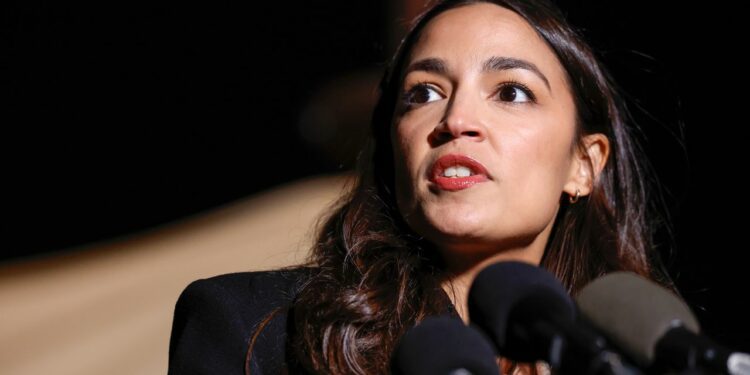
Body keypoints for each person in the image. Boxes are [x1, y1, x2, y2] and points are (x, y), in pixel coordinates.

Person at [167, 0, 677, 373]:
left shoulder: (633, 360)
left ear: (584, 165)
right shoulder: (251, 328)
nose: (457, 119)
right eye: (424, 93)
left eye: (511, 92)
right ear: (393, 149)